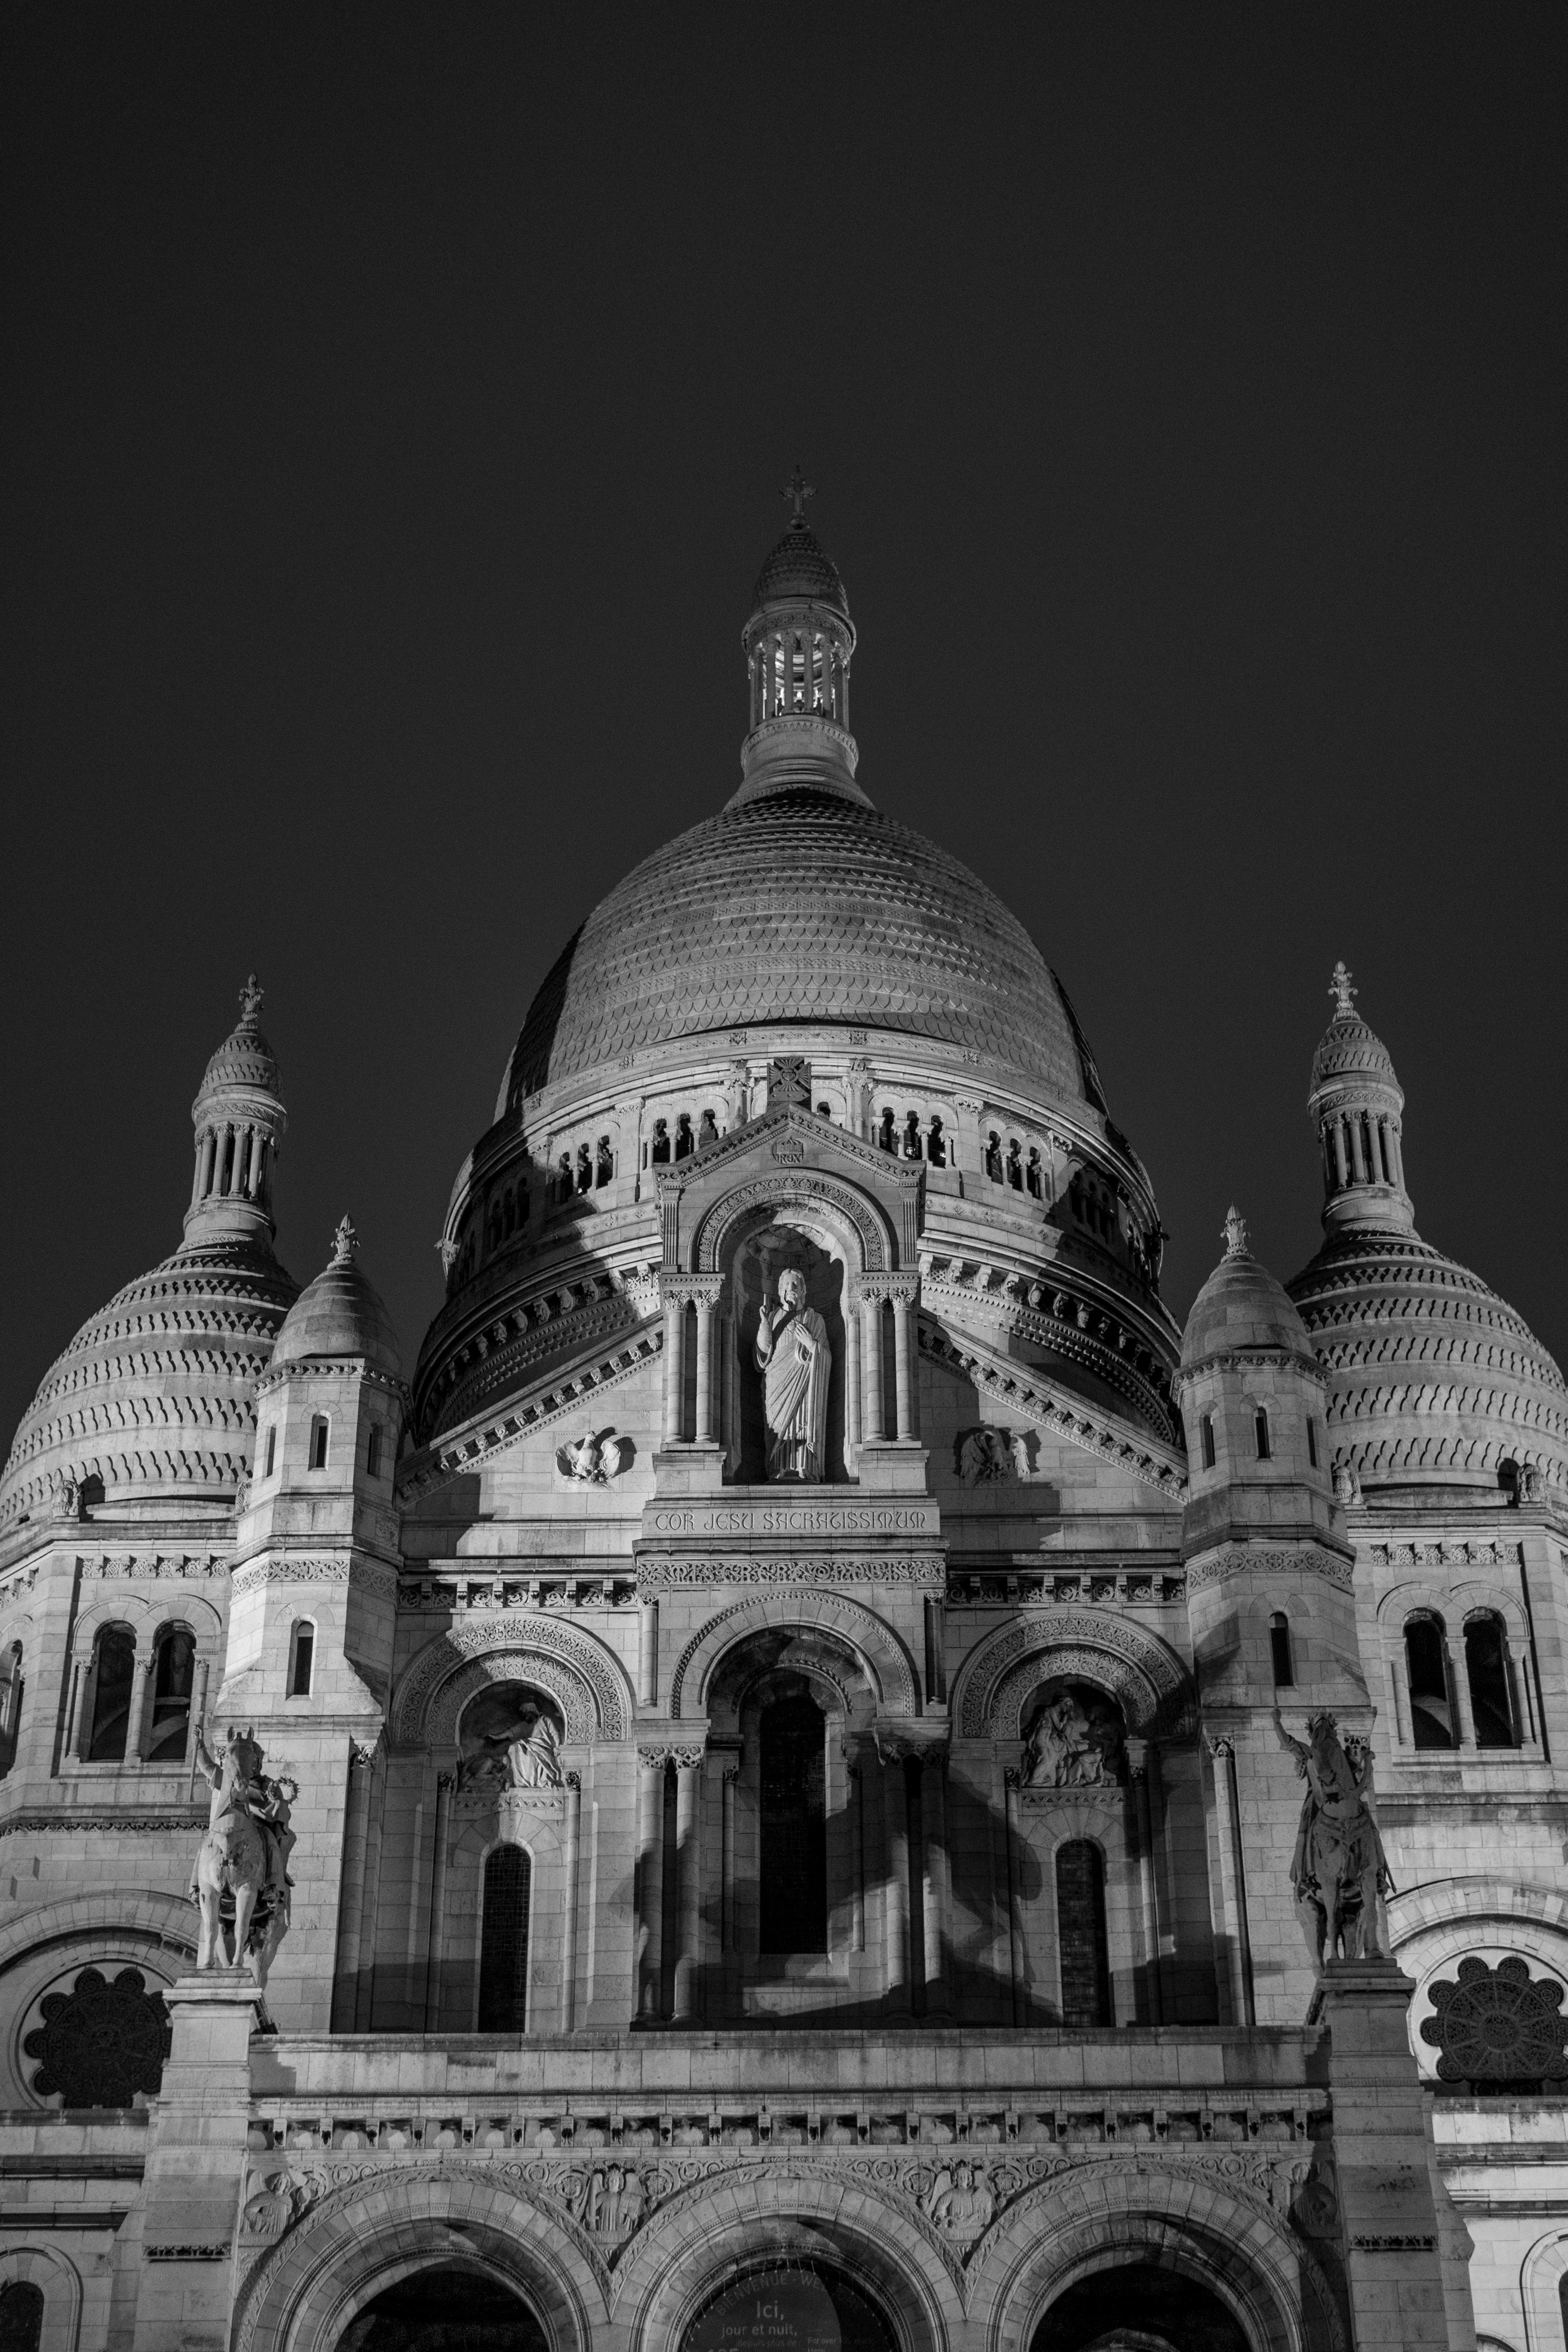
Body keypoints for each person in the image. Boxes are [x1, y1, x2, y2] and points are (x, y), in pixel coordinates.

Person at [754, 1268, 831, 1481]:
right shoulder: (773, 1317)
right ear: (781, 1291)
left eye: (796, 1285)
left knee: (802, 1421)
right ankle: (778, 1469)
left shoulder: (815, 1319)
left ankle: (804, 1467)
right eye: (787, 1285)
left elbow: (826, 1357)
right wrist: (764, 1323)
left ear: (804, 1290)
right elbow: (763, 1355)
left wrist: (812, 1345)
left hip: (804, 1385)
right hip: (777, 1383)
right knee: (777, 1427)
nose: (792, 1288)